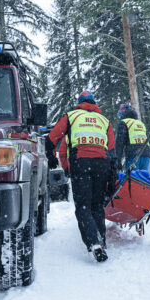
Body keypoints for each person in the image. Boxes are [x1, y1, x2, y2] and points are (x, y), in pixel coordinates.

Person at [49, 91, 116, 262]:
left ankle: (94, 243)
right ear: (94, 103)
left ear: (79, 103)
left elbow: (53, 139)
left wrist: (65, 168)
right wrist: (111, 176)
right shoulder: (104, 121)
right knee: (96, 205)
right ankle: (101, 238)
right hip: (102, 165)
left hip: (81, 163)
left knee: (83, 206)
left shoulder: (72, 117)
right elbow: (112, 151)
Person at [115, 104, 150, 173]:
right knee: (143, 180)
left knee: (132, 181)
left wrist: (118, 160)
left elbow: (120, 143)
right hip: (147, 154)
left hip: (133, 155)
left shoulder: (124, 122)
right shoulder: (140, 123)